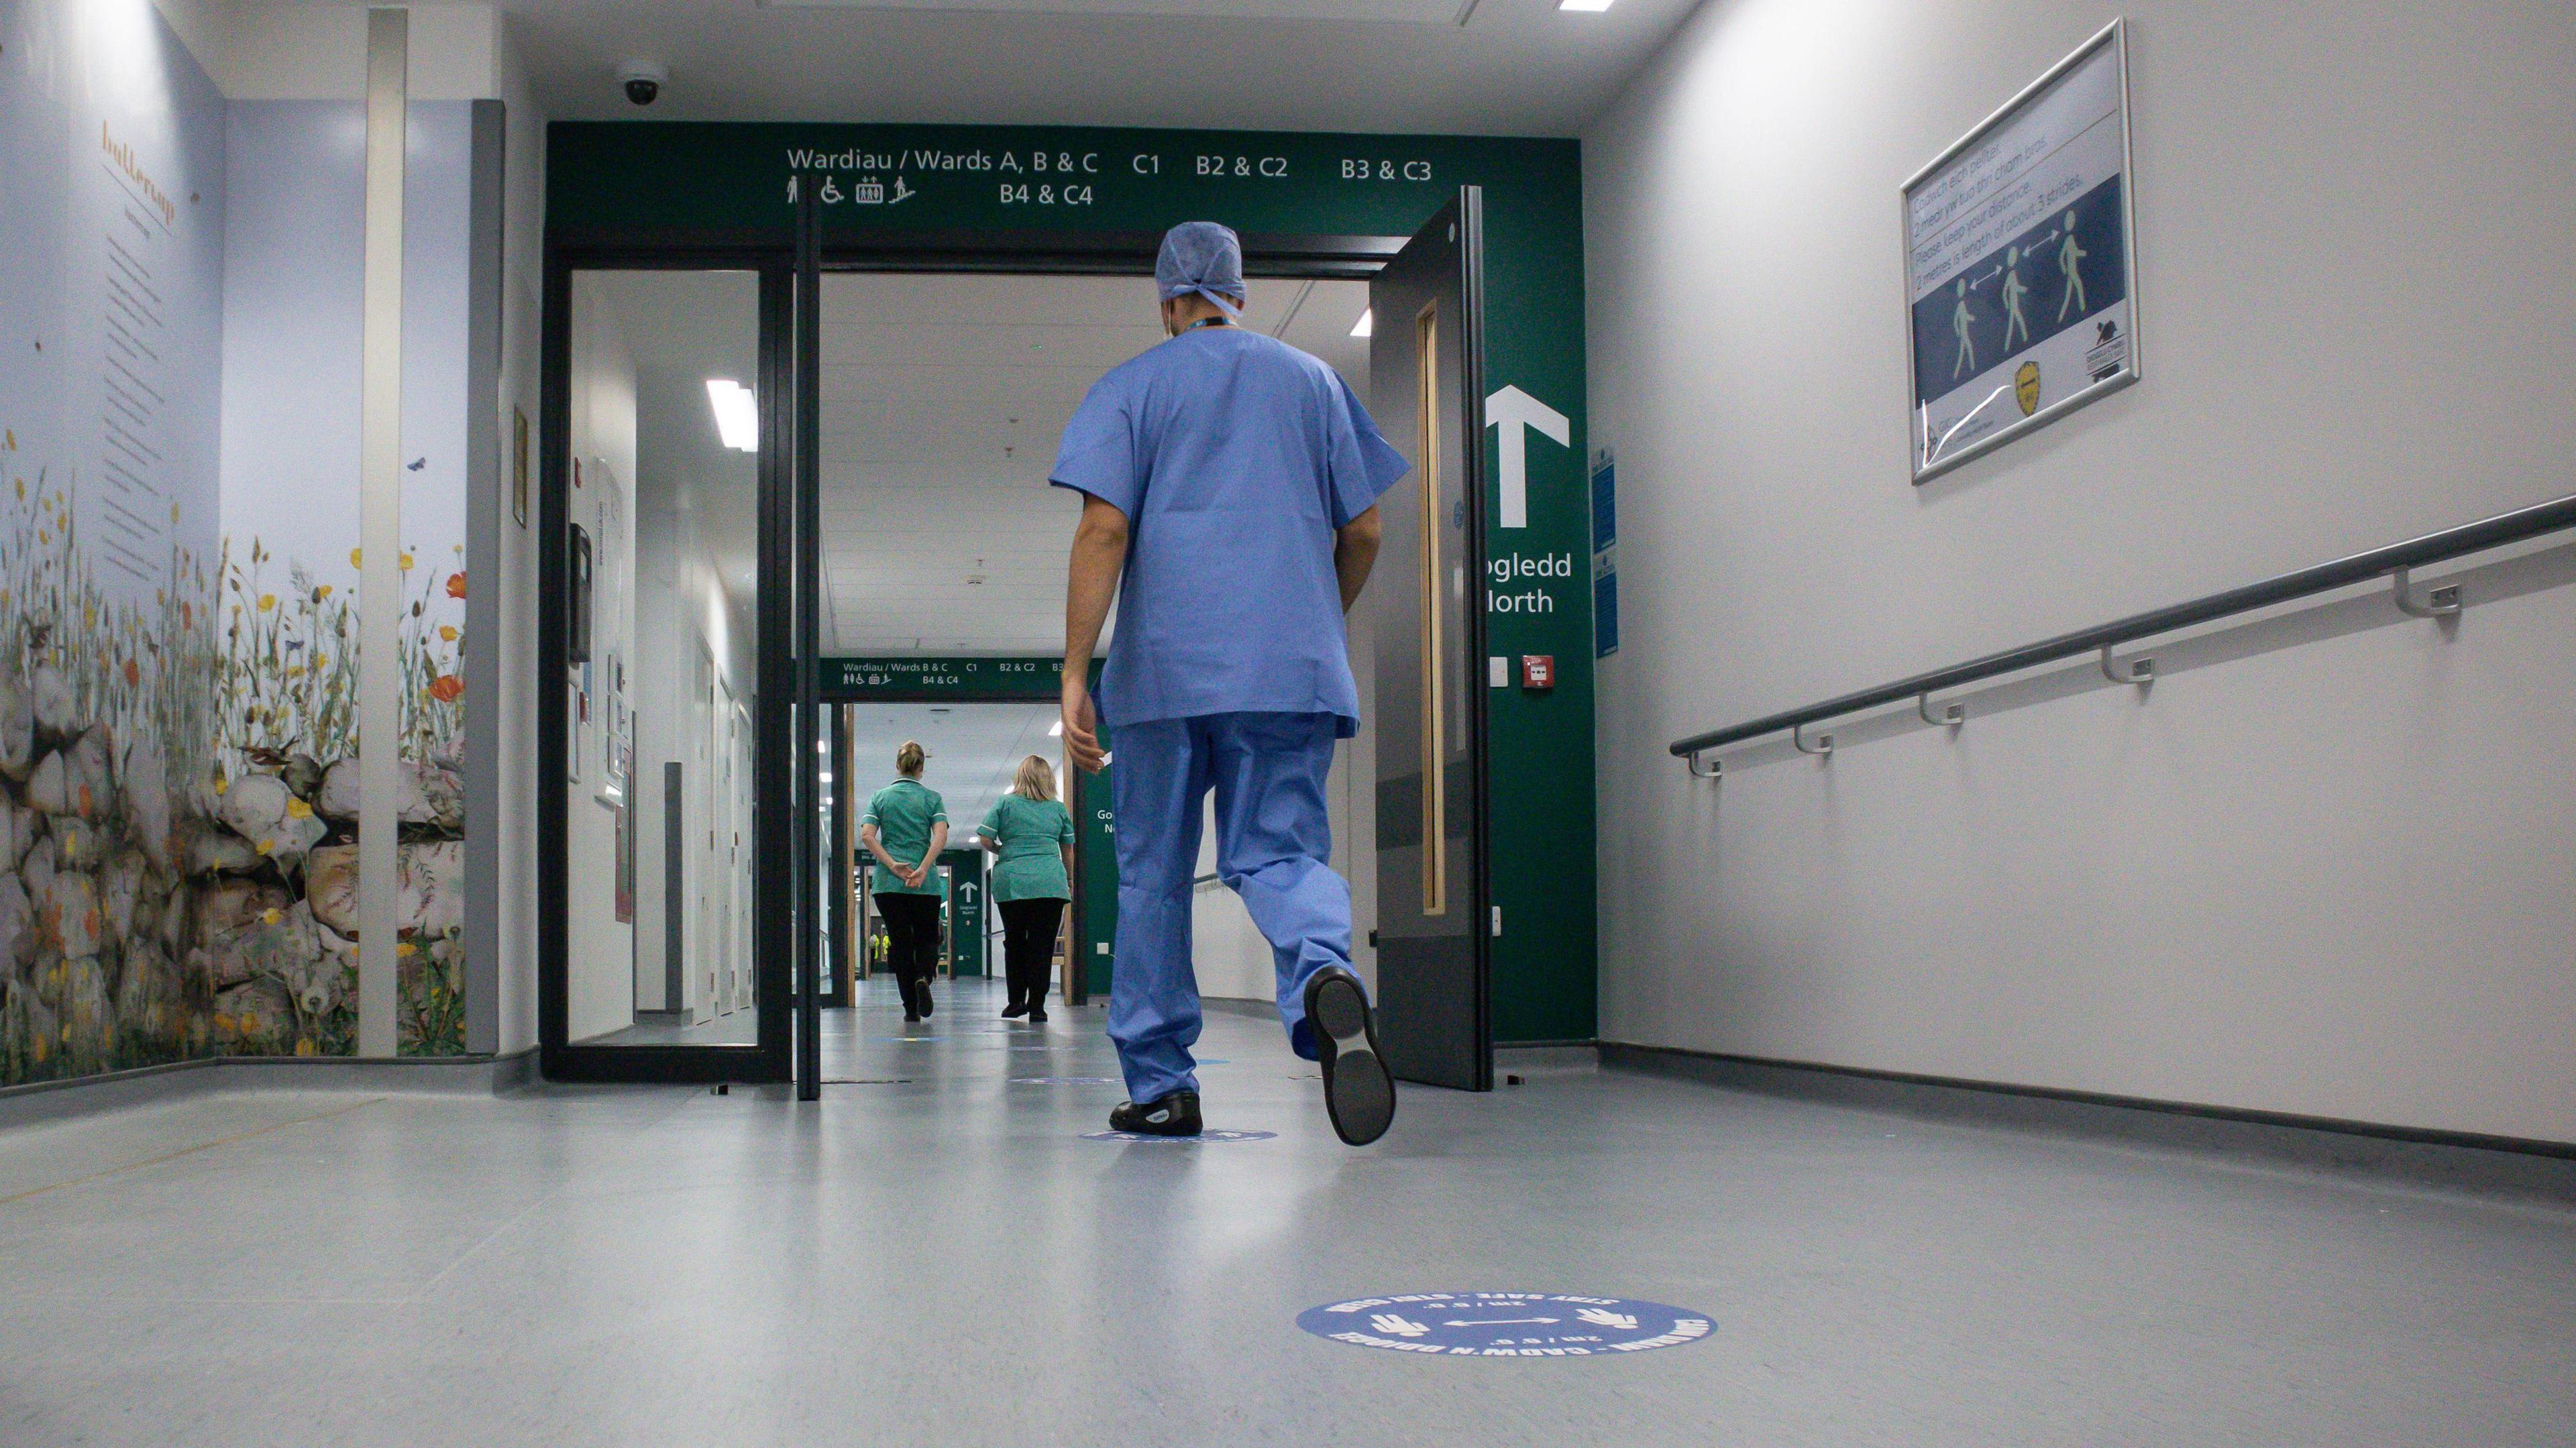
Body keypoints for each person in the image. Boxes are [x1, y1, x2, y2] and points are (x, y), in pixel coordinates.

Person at [1051, 220, 1409, 1146]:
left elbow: (1102, 530)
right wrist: (1314, 621)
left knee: (1153, 877)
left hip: (1164, 676)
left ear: (1170, 302)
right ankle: (1327, 974)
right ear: (1239, 295)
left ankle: (1165, 1084)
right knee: (1277, 853)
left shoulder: (1130, 386)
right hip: (1287, 668)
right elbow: (1364, 530)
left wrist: (1075, 675)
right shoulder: (1314, 382)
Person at [976, 755, 1077, 1023]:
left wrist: (1001, 849)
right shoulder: (1058, 809)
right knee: (1042, 946)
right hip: (1049, 882)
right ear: (1047, 778)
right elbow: (1067, 848)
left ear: (1020, 776)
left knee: (1016, 942)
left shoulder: (1005, 803)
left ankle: (1015, 1002)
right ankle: (1038, 1007)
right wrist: (1069, 879)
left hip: (1013, 881)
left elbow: (985, 837)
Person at [860, 740, 948, 1023]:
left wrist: (893, 865)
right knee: (926, 937)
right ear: (921, 768)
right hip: (925, 884)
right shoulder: (933, 799)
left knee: (900, 942)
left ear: (898, 765)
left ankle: (910, 1008)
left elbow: (867, 836)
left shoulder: (880, 797)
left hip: (889, 884)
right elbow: (940, 836)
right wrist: (923, 868)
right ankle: (923, 976)